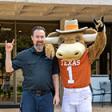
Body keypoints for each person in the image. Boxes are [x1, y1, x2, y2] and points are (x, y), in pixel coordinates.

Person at [5, 26, 60, 112]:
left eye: (42, 37)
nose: (40, 39)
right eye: (37, 37)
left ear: (45, 38)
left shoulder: (51, 55)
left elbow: (55, 75)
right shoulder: (24, 55)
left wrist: (57, 94)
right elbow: (9, 69)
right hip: (29, 97)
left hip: (47, 96)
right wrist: (8, 53)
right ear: (32, 38)